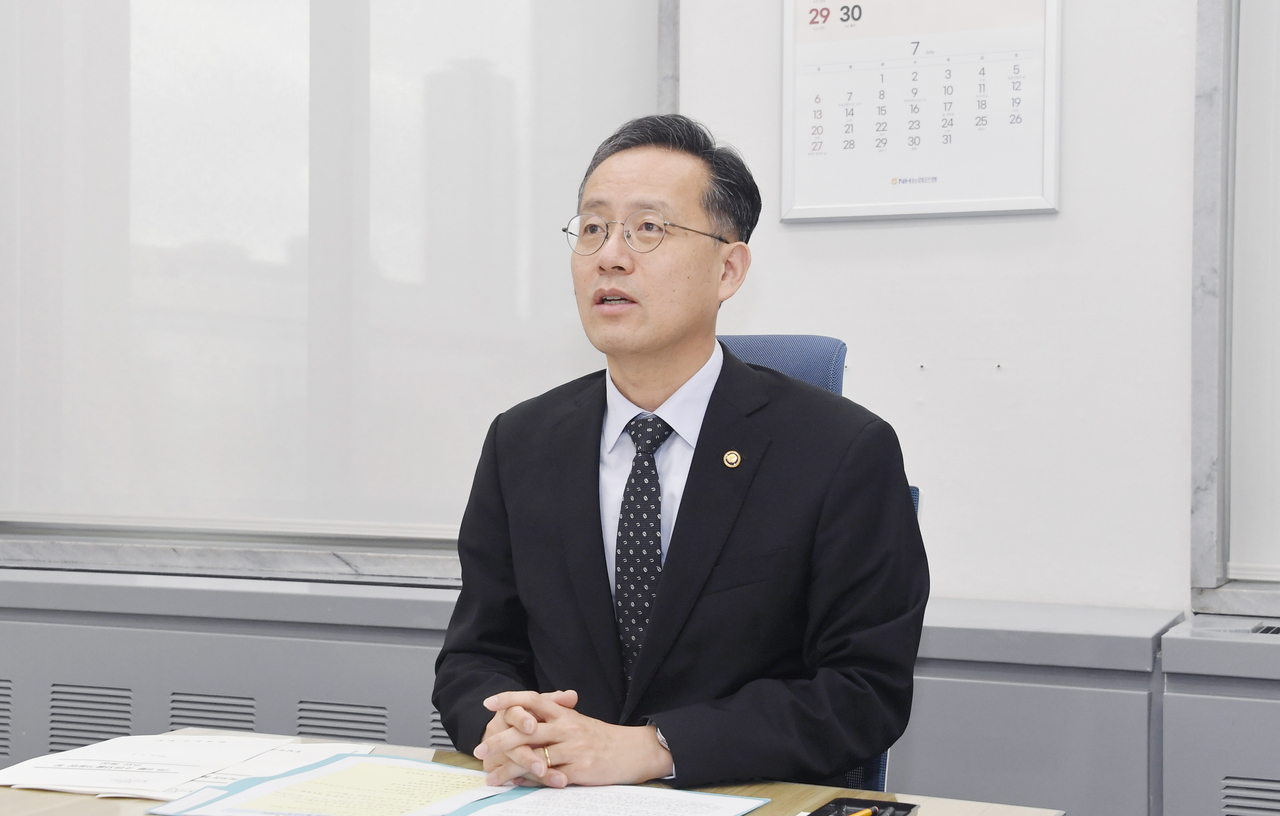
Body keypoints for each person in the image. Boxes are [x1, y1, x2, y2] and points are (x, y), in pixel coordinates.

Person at [431, 114, 928, 790]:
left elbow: (864, 690)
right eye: (593, 228)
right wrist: (506, 724)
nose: (610, 255)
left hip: (743, 797)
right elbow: (474, 656)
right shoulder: (521, 441)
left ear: (728, 268)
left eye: (648, 228)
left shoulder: (842, 451)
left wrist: (656, 748)